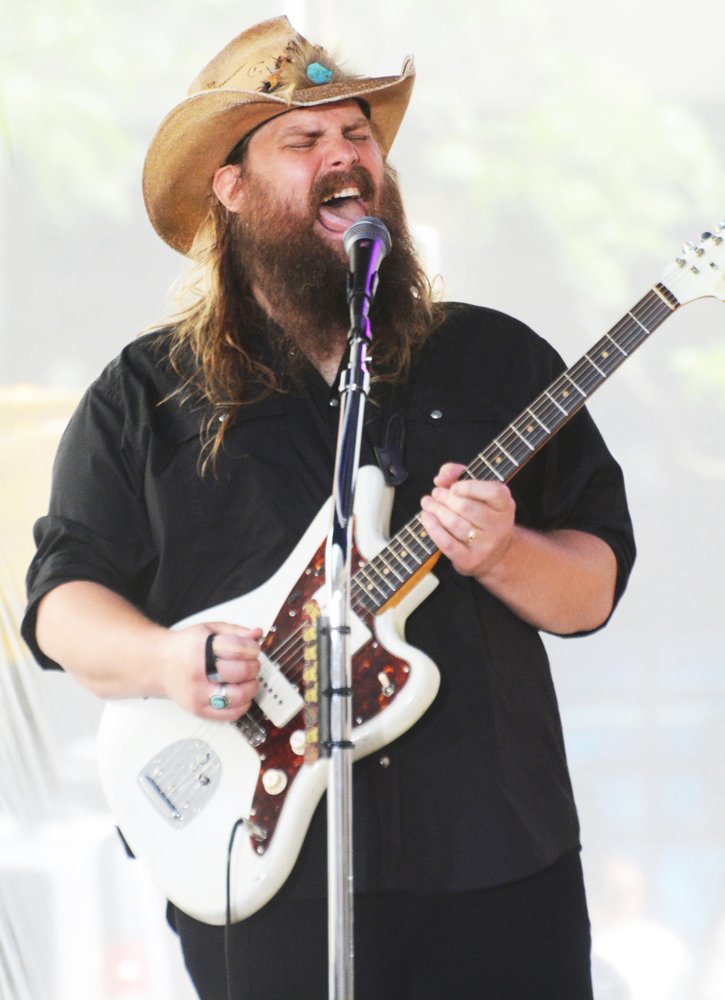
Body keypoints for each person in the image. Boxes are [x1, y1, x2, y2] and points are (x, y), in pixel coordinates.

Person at [22, 15, 635, 1000]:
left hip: (494, 863)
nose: (343, 158)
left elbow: (589, 589)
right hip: (263, 871)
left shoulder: (494, 359)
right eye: (301, 142)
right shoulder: (146, 392)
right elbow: (60, 604)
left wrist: (500, 549)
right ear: (230, 187)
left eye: (357, 136)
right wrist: (164, 661)